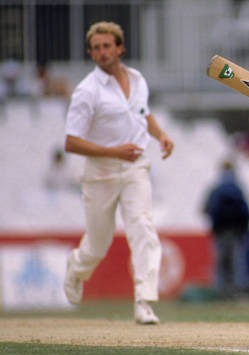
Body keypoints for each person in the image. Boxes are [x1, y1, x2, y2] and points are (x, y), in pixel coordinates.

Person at [62, 21, 174, 324]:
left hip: (135, 166)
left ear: (120, 48)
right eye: (96, 48)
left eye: (107, 46)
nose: (101, 52)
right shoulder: (87, 91)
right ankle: (77, 267)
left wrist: (160, 135)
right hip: (100, 171)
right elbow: (71, 142)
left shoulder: (137, 80)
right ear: (91, 53)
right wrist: (114, 152)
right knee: (99, 242)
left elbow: (142, 113)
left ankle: (143, 302)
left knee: (142, 227)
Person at [203, 160, 249, 299]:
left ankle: (220, 292)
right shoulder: (238, 188)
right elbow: (246, 211)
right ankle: (237, 292)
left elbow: (206, 209)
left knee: (220, 262)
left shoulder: (215, 188)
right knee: (237, 262)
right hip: (236, 231)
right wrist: (245, 228)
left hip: (220, 231)